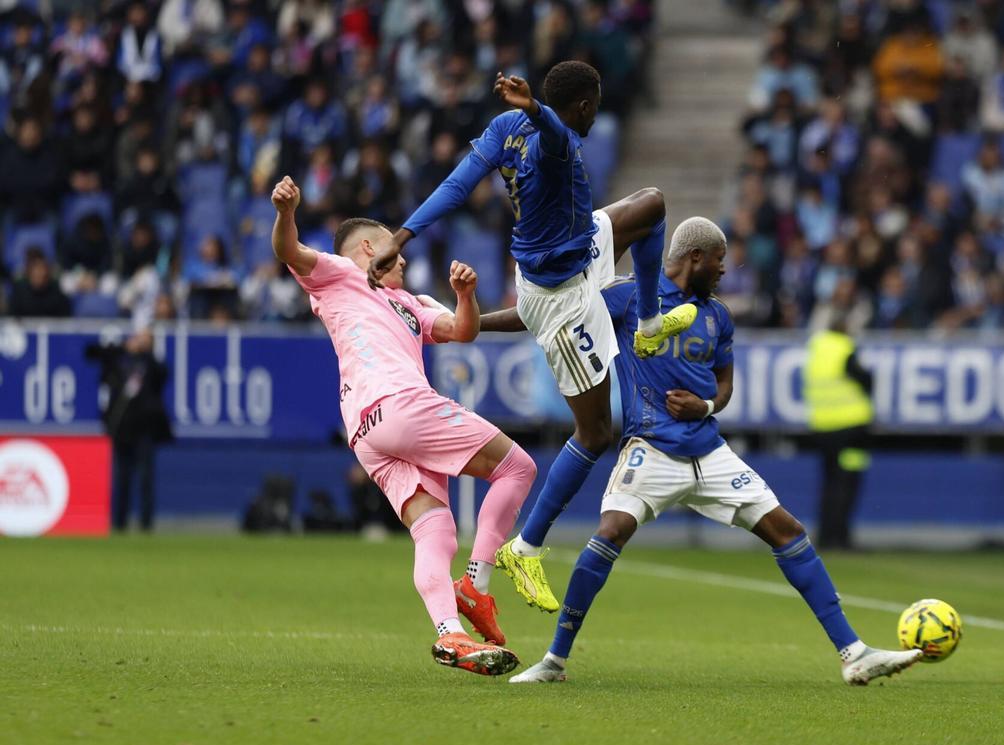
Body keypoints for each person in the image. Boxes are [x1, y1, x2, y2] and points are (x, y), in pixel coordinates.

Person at [491, 217, 921, 685]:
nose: (723, 272)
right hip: (650, 448)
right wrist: (471, 324)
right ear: (696, 257)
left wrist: (707, 404)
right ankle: (554, 661)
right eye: (719, 262)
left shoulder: (717, 314)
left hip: (709, 450)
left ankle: (853, 652)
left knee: (788, 530)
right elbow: (548, 311)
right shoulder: (630, 296)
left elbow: (726, 383)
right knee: (610, 532)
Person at [369, 60, 695, 613]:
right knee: (594, 433)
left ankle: (645, 323)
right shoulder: (559, 137)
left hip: (574, 248)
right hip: (560, 296)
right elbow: (548, 135)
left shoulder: (504, 129)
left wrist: (401, 235)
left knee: (652, 205)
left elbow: (456, 184)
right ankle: (527, 547)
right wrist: (538, 111)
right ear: (586, 106)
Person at [270, 175, 537, 677]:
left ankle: (449, 633)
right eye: (398, 248)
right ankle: (476, 587)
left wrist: (465, 295)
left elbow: (463, 330)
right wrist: (286, 212)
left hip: (367, 431)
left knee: (435, 531)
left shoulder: (411, 303)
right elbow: (290, 250)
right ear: (372, 247)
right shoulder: (340, 274)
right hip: (399, 402)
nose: (406, 259)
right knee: (518, 468)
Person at [84, 329, 173, 532]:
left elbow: (163, 374)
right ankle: (119, 522)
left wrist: (147, 352)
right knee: (121, 477)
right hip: (121, 427)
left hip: (145, 428)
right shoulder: (118, 359)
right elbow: (90, 352)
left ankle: (146, 524)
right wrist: (124, 347)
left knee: (145, 478)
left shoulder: (150, 364)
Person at [802, 319, 874, 550]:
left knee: (829, 482)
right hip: (851, 425)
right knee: (847, 482)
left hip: (822, 427)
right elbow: (864, 379)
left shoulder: (815, 350)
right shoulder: (844, 348)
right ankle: (841, 537)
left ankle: (825, 536)